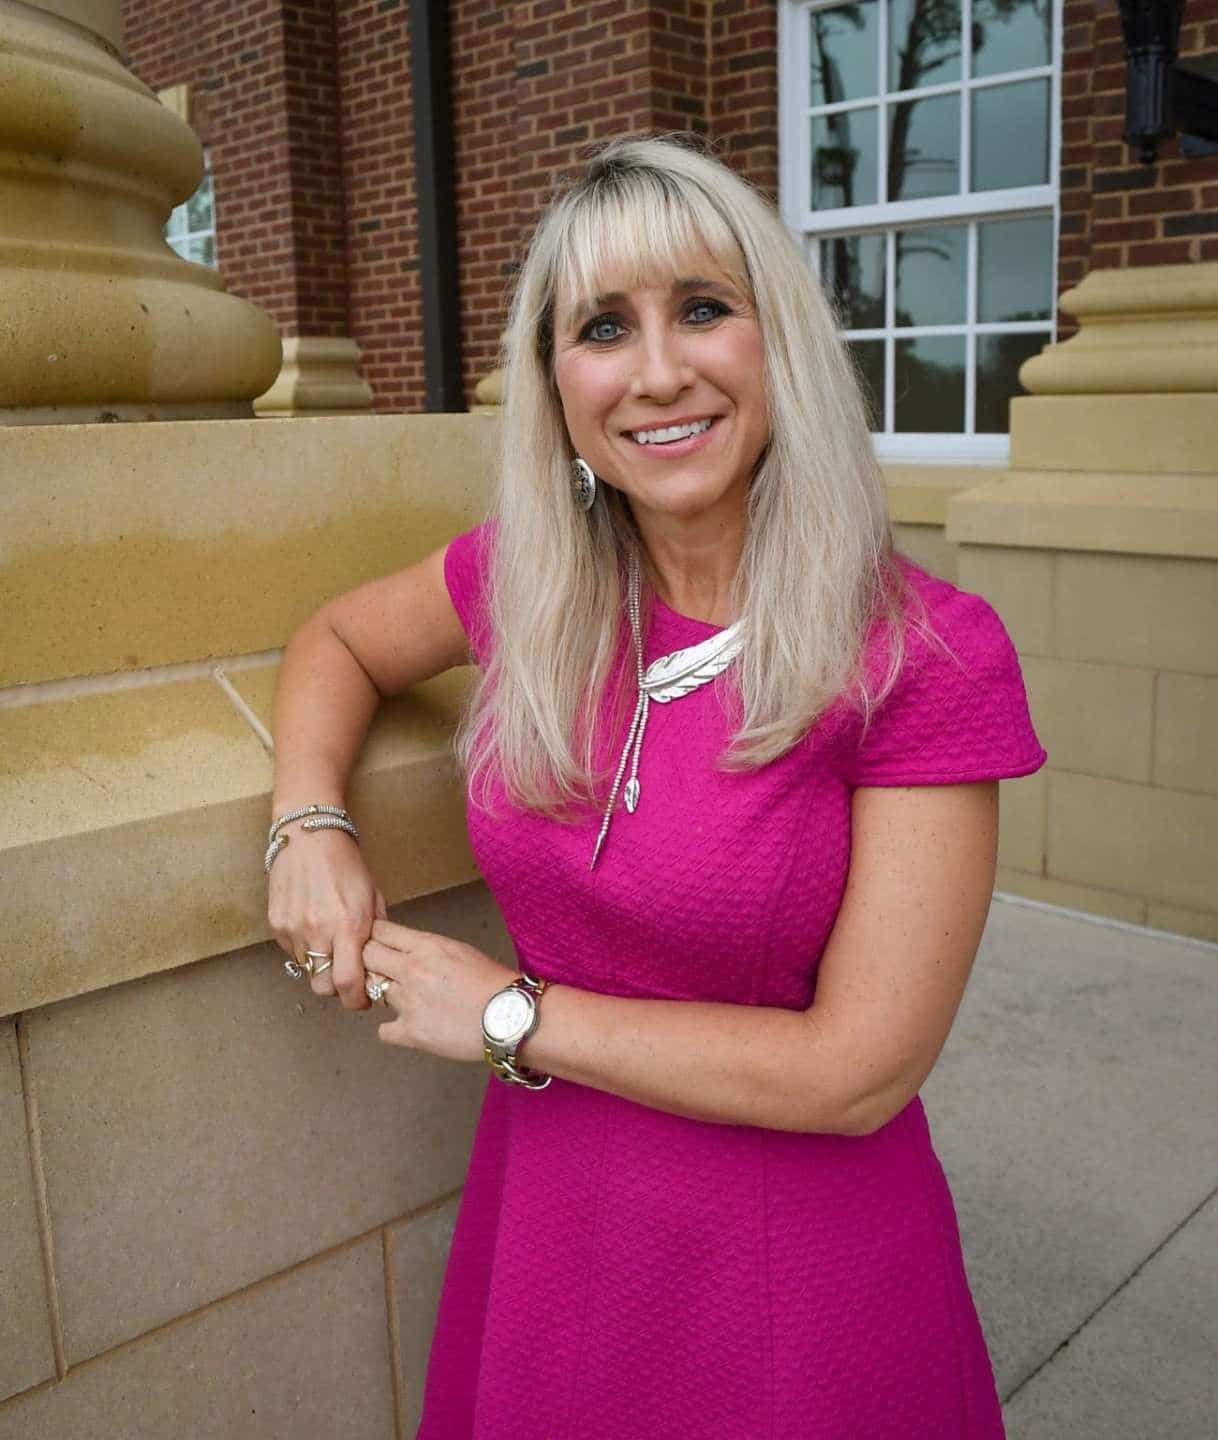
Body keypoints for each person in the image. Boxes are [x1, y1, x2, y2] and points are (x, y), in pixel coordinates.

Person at [267, 135, 1046, 1438]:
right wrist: (310, 823)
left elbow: (858, 1069)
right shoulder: (523, 583)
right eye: (602, 328)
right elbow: (334, 644)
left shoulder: (922, 652)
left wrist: (514, 1017)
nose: (658, 371)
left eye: (700, 309)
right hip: (553, 1224)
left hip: (791, 1268)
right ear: (554, 383)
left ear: (776, 341)